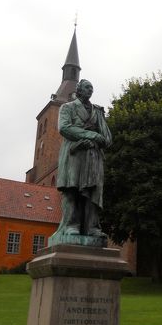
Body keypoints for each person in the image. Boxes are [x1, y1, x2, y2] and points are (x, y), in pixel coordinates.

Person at [55, 79, 112, 237]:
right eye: (87, 87)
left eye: (92, 88)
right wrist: (92, 134)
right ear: (79, 90)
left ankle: (92, 227)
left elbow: (107, 138)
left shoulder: (97, 111)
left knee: (93, 191)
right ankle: (71, 226)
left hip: (93, 156)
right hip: (74, 154)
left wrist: (99, 132)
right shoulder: (67, 107)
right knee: (72, 190)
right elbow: (64, 128)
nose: (90, 90)